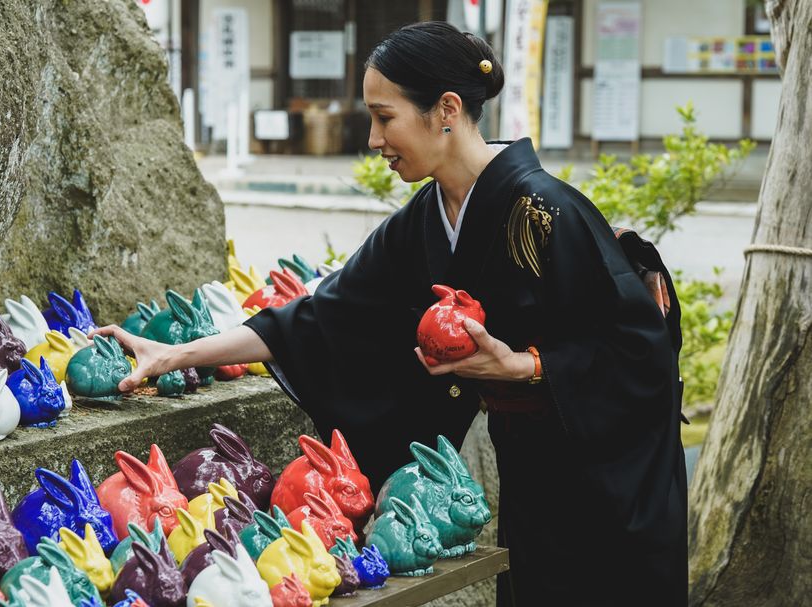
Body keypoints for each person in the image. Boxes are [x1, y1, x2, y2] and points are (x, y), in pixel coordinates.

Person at [93, 21, 687, 607]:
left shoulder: (545, 211)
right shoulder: (425, 221)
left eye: (385, 117)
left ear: (446, 109)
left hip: (615, 475)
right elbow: (320, 317)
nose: (374, 139)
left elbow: (640, 351)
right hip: (531, 467)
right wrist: (176, 354)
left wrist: (524, 367)